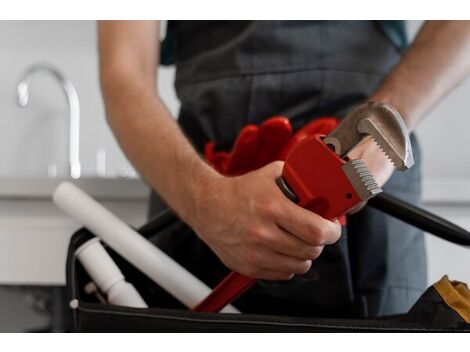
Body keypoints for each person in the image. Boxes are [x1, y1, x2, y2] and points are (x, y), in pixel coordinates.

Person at [98, 21, 470, 317]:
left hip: (371, 181)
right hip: (201, 178)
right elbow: (123, 72)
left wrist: (388, 114)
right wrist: (204, 200)